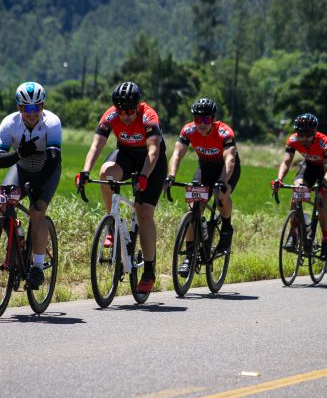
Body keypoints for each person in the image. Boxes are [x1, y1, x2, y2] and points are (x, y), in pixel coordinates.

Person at [76, 81, 166, 293]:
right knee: (105, 174)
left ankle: (150, 270)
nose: (125, 115)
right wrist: (85, 171)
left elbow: (153, 152)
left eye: (129, 110)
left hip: (151, 162)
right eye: (121, 110)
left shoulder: (149, 116)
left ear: (137, 105)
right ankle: (112, 224)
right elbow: (96, 145)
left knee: (144, 212)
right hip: (125, 155)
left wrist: (143, 176)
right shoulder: (111, 115)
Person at [0, 81, 62, 289]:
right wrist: (19, 153)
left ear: (43, 106)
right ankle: (18, 237)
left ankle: (37, 268)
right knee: (4, 202)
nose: (33, 113)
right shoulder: (9, 123)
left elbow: (52, 159)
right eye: (27, 108)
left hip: (46, 168)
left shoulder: (52, 122)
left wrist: (38, 184)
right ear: (19, 108)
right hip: (21, 167)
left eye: (37, 107)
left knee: (36, 210)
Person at [166, 98, 240, 277]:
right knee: (193, 207)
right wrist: (171, 176)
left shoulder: (224, 132)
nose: (201, 123)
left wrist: (222, 182)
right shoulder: (188, 130)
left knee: (221, 196)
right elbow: (177, 154)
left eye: (206, 120)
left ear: (213, 119)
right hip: (205, 168)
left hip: (226, 169)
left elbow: (229, 160)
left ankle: (227, 228)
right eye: (197, 119)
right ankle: (189, 257)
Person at [272, 113, 327, 258]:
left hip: (326, 171)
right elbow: (286, 162)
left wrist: (323, 185)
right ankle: (293, 234)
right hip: (309, 167)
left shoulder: (325, 143)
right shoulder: (293, 140)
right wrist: (279, 179)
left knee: (321, 204)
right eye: (301, 135)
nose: (304, 139)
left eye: (307, 135)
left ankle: (326, 239)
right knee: (297, 192)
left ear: (315, 132)